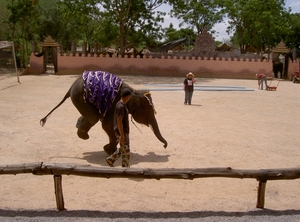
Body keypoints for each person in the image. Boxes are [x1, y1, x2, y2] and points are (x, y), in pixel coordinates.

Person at [106, 88, 132, 167]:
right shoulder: (120, 106)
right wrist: (122, 135)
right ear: (127, 96)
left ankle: (110, 159)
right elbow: (119, 121)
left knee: (123, 148)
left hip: (123, 131)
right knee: (126, 150)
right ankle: (125, 167)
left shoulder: (121, 104)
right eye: (129, 96)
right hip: (121, 132)